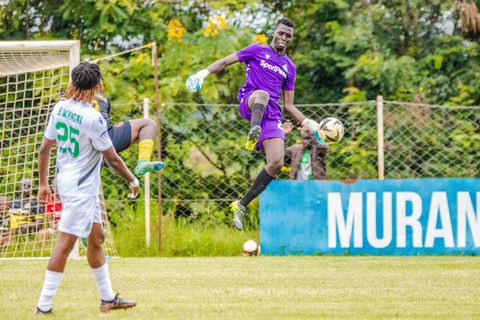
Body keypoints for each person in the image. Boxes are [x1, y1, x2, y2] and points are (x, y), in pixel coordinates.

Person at [186, 17, 320, 231]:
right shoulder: (257, 50)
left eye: (288, 36)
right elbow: (224, 62)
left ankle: (240, 205)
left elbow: (289, 105)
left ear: (291, 39)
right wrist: (202, 74)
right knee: (263, 94)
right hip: (251, 100)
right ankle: (254, 130)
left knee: (276, 162)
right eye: (281, 33)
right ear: (274, 32)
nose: (283, 37)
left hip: (272, 115)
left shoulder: (290, 67)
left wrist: (311, 124)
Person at [36, 61, 139, 314]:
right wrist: (133, 180)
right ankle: (43, 307)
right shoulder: (93, 118)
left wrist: (42, 183)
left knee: (97, 238)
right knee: (65, 245)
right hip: (81, 189)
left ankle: (108, 299)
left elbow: (45, 147)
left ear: (72, 83)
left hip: (72, 182)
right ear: (97, 86)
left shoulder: (60, 107)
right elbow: (112, 158)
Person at [92, 92, 164, 176]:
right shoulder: (98, 97)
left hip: (107, 135)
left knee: (148, 124)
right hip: (90, 142)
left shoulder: (102, 97)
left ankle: (143, 162)